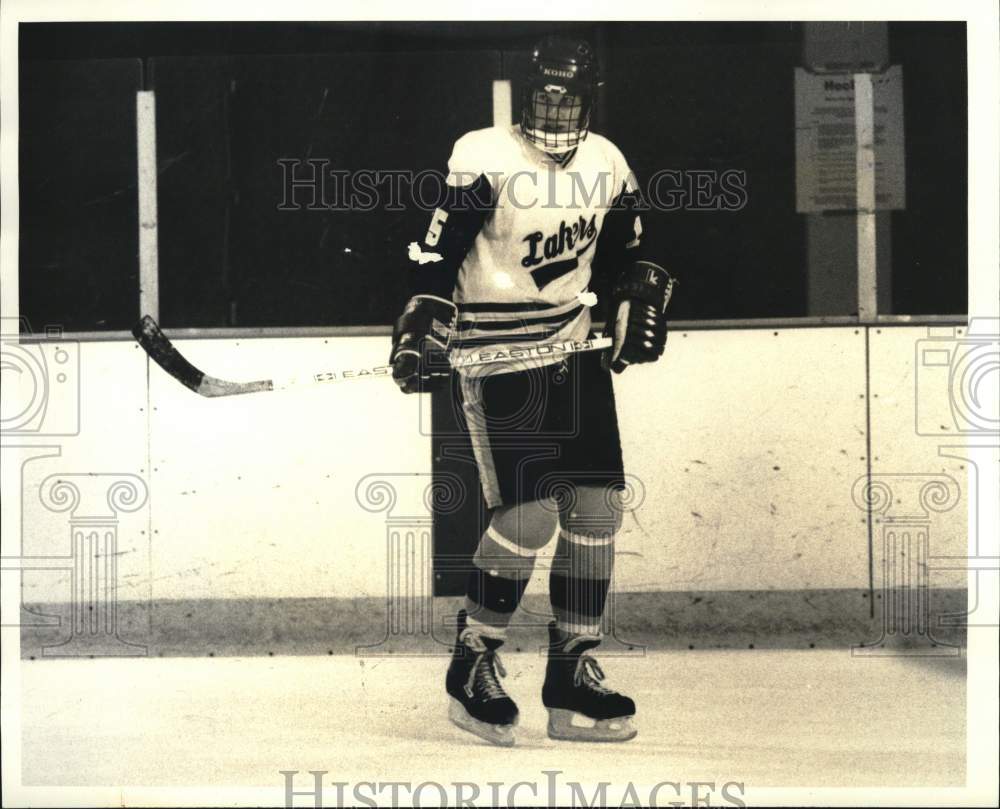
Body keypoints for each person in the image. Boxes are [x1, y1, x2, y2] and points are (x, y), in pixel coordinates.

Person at [389, 35, 673, 746]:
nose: (556, 107)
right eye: (544, 94)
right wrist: (421, 324)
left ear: (587, 100)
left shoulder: (606, 161)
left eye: (568, 96)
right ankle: (474, 658)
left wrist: (634, 297)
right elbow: (438, 251)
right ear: (524, 96)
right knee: (530, 516)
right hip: (497, 353)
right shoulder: (485, 154)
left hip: (573, 350)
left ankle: (572, 667)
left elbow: (625, 256)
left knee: (599, 509)